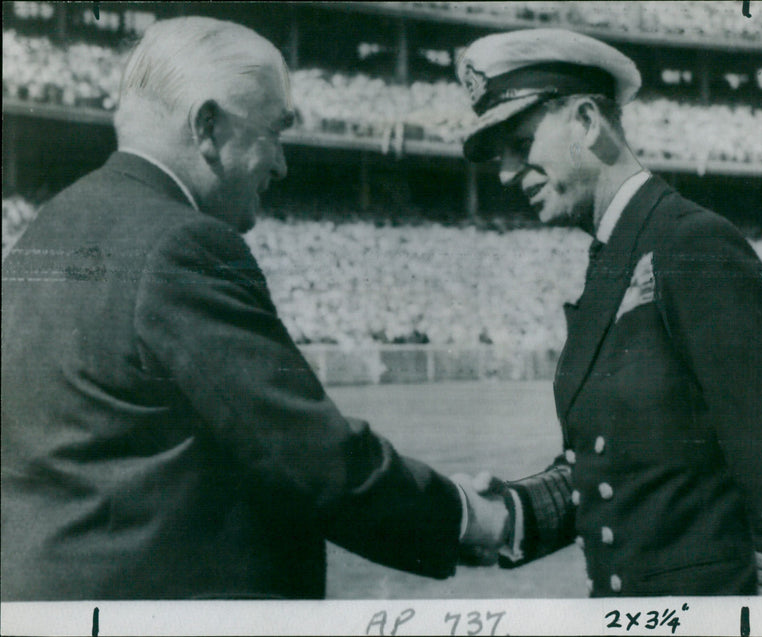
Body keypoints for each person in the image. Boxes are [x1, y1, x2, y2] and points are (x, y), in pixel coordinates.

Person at [0, 16, 508, 600]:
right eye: (275, 132)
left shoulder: (46, 230)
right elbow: (312, 456)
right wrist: (471, 517)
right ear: (208, 126)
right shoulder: (181, 245)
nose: (283, 165)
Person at [454, 28, 762, 596]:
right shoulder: (614, 258)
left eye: (520, 142)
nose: (506, 173)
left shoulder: (693, 243)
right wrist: (505, 513)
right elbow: (621, 468)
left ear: (587, 122)